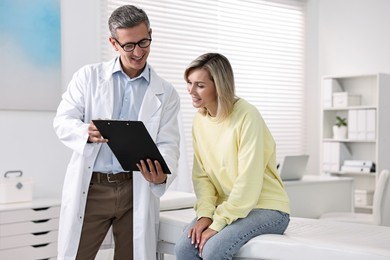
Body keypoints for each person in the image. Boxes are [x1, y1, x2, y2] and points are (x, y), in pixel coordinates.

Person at [53, 5, 180, 260]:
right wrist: (84, 132)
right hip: (93, 188)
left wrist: (161, 174)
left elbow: (169, 143)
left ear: (151, 34)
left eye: (144, 42)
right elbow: (62, 120)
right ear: (114, 43)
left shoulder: (166, 92)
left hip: (136, 190)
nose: (138, 52)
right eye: (129, 45)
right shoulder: (88, 77)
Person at [174, 53, 290, 260]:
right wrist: (205, 215)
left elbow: (248, 180)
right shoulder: (199, 121)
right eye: (189, 83)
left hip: (266, 207)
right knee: (184, 249)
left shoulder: (247, 115)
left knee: (213, 249)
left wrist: (218, 223)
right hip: (229, 207)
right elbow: (202, 177)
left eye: (199, 85)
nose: (191, 91)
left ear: (219, 85)